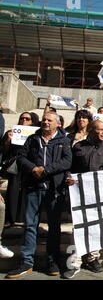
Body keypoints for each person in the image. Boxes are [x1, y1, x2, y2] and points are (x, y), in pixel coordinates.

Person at [6, 112, 72, 279]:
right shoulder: (33, 139)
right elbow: (21, 157)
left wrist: (46, 170)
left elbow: (66, 161)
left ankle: (52, 260)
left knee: (54, 226)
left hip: (54, 190)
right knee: (29, 225)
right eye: (44, 120)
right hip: (33, 187)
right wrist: (33, 169)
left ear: (58, 124)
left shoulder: (63, 141)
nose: (45, 122)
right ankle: (27, 262)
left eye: (49, 120)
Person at [63, 120, 103, 279]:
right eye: (99, 130)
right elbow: (69, 167)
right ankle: (75, 260)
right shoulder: (78, 147)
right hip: (80, 193)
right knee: (78, 226)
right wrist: (68, 177)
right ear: (90, 131)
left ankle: (92, 258)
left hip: (99, 194)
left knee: (96, 226)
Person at [0, 112, 40, 227]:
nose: (24, 120)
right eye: (22, 118)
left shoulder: (35, 134)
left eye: (27, 119)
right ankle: (10, 218)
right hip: (15, 165)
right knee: (13, 190)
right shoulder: (11, 132)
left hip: (28, 165)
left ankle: (22, 218)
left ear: (32, 121)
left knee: (26, 191)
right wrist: (8, 140)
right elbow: (4, 151)